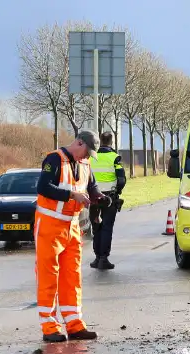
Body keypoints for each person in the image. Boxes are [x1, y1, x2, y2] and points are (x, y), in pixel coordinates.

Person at [34, 130, 109, 343]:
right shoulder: (54, 159)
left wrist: (99, 197)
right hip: (49, 225)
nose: (87, 157)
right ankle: (50, 327)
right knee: (48, 277)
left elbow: (91, 187)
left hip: (72, 227)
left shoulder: (85, 164)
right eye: (87, 151)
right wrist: (71, 195)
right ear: (78, 143)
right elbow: (43, 187)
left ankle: (74, 325)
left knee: (72, 277)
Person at [89, 131, 126, 270]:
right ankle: (103, 259)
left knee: (96, 226)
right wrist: (117, 191)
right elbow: (121, 180)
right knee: (106, 227)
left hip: (93, 197)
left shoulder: (91, 157)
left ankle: (97, 257)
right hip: (109, 198)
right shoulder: (115, 157)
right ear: (111, 142)